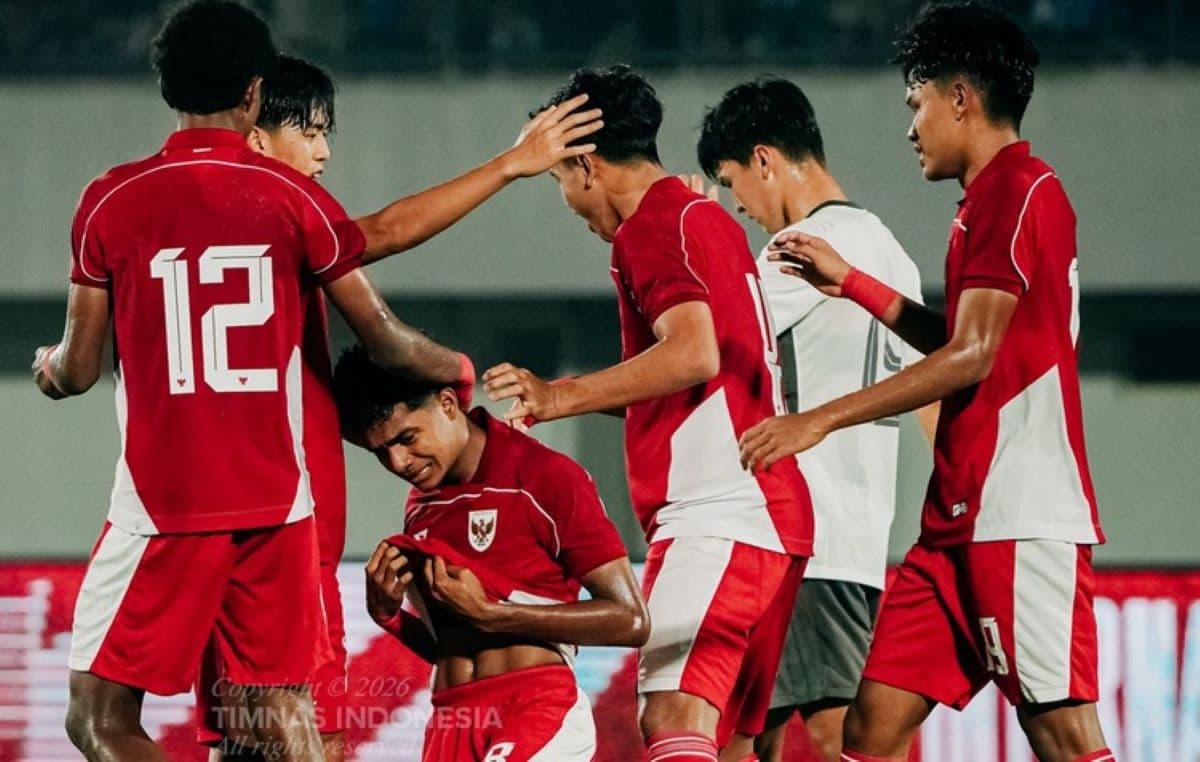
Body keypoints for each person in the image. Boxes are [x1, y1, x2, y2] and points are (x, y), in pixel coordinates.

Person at [32, 0, 470, 761]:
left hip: (164, 504)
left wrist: (45, 368)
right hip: (276, 503)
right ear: (254, 95)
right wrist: (457, 370)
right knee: (283, 714)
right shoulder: (294, 197)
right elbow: (387, 341)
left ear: (168, 89)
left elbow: (77, 369)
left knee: (97, 719)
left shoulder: (111, 199)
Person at [195, 53, 602, 762]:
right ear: (258, 132)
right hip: (283, 530)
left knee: (244, 733)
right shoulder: (285, 218)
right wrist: (509, 166)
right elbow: (382, 240)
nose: (323, 151)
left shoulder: (174, 217)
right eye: (312, 131)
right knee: (306, 735)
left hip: (202, 520)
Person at [741, 0, 1113, 762]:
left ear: (960, 98)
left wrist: (820, 419)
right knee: (871, 727)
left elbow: (971, 355)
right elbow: (964, 342)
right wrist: (855, 285)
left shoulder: (1019, 188)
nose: (910, 127)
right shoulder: (987, 200)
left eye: (916, 104)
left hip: (1017, 512)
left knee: (1064, 738)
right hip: (954, 525)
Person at [482, 65, 813, 762]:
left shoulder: (653, 225)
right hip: (767, 518)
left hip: (721, 514)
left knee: (671, 717)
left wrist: (558, 395)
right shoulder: (702, 217)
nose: (568, 201)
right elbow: (697, 381)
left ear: (584, 164)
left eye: (560, 181)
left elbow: (693, 354)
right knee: (732, 745)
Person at [695, 77, 936, 762]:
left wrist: (693, 237)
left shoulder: (797, 250)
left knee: (831, 738)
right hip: (856, 538)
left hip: (800, 535)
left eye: (733, 181)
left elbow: (693, 342)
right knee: (750, 737)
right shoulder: (888, 247)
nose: (737, 204)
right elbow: (930, 390)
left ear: (765, 159)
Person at [332, 344, 649, 761]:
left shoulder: (546, 477)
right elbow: (457, 646)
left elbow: (631, 619)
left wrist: (495, 614)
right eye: (380, 452)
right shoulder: (422, 504)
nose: (399, 461)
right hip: (450, 719)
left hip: (535, 707)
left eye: (406, 438)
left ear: (448, 403)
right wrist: (389, 616)